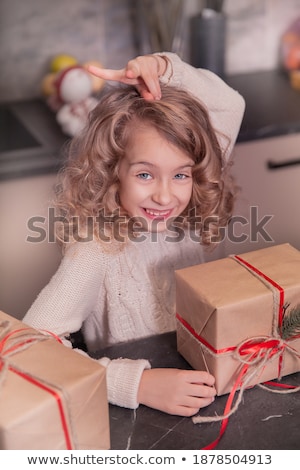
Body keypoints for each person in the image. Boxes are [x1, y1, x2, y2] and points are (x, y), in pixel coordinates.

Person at [23, 52, 245, 417]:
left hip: (204, 379)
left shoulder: (185, 210)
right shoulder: (95, 248)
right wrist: (135, 384)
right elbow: (30, 348)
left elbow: (231, 105)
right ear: (113, 171)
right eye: (144, 174)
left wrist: (165, 69)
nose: (164, 195)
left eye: (180, 175)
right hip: (135, 409)